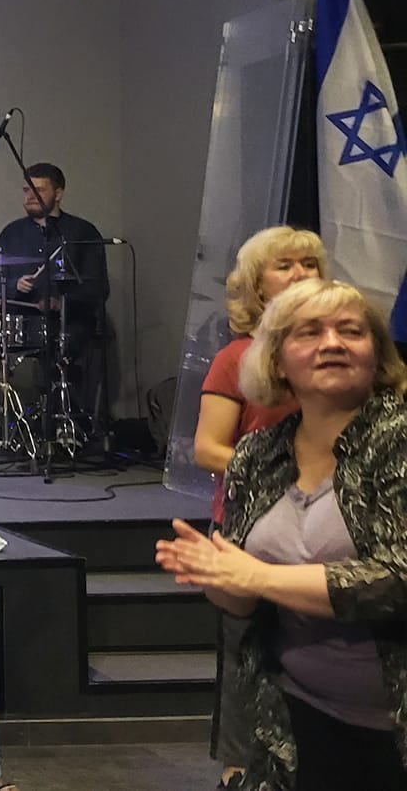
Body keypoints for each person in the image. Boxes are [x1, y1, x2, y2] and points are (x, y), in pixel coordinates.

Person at [156, 278, 407, 791]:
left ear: (377, 355)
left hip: (392, 731)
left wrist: (258, 576)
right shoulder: (257, 453)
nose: (332, 343)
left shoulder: (398, 439)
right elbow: (243, 601)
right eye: (309, 332)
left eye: (351, 331)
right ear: (277, 361)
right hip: (292, 721)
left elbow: (397, 579)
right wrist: (217, 575)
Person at [192, 227, 326, 791]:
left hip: (325, 528)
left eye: (308, 264)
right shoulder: (236, 359)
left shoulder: (336, 359)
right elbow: (208, 449)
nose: (299, 274)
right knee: (245, 652)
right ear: (256, 286)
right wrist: (288, 478)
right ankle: (239, 771)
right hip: (250, 526)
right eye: (284, 265)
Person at [0, 162, 110, 422]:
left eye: (38, 190)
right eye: (26, 190)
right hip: (21, 326)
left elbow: (98, 288)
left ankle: (63, 423)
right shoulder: (11, 234)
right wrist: (15, 285)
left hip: (69, 324)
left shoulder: (82, 232)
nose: (30, 197)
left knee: (59, 351)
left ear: (58, 193)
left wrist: (62, 303)